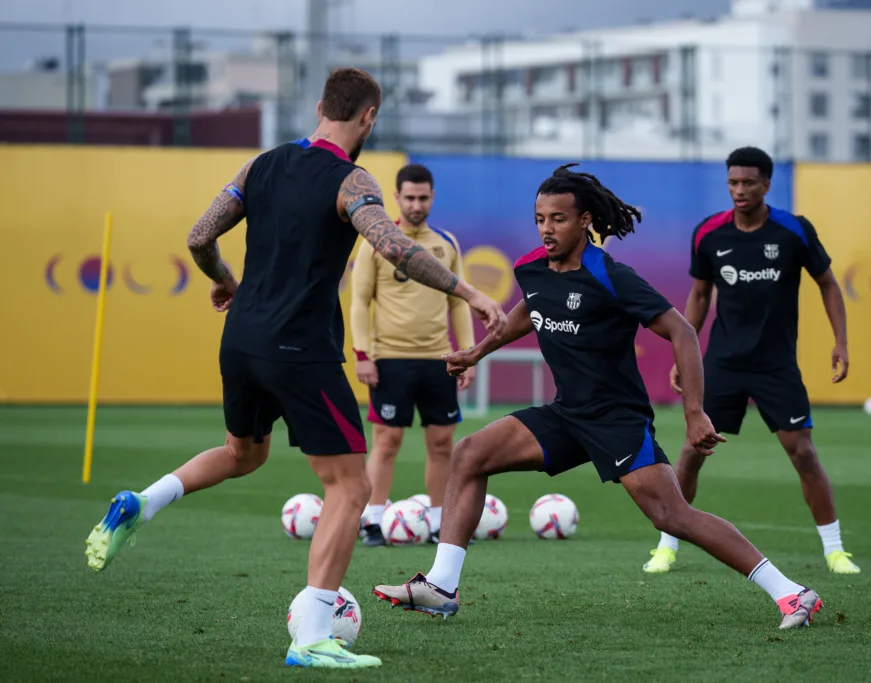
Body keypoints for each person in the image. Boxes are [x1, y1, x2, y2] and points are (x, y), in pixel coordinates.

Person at [83, 67, 506, 670]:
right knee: (351, 486)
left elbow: (200, 236)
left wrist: (227, 283)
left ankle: (141, 502)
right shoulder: (351, 179)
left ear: (318, 107)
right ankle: (310, 636)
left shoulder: (260, 165)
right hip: (300, 349)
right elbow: (394, 247)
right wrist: (470, 293)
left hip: (242, 339)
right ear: (368, 118)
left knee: (243, 454)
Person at [372, 163, 823, 631]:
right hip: (567, 414)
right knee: (469, 454)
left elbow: (683, 332)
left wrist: (694, 413)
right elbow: (532, 308)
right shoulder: (530, 267)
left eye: (558, 219)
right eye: (540, 219)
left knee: (671, 515)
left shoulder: (610, 275)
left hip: (616, 420)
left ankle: (792, 592)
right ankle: (442, 587)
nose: (547, 229)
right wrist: (479, 352)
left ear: (585, 220)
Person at [642, 146, 859, 576]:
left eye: (747, 183)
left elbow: (828, 284)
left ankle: (835, 551)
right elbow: (700, 296)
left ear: (766, 184)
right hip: (723, 362)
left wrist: (841, 342)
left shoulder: (793, 231)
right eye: (732, 183)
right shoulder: (709, 234)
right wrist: (685, 353)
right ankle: (666, 545)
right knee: (692, 450)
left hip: (777, 364)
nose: (739, 191)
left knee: (802, 453)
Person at [351, 163, 476, 546]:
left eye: (423, 198)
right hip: (389, 359)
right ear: (397, 197)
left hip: (439, 359)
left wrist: (467, 352)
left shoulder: (446, 244)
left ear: (432, 197)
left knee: (442, 443)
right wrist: (362, 354)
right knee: (386, 442)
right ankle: (373, 520)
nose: (416, 204)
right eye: (410, 197)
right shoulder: (376, 241)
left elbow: (458, 302)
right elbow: (359, 300)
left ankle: (441, 523)